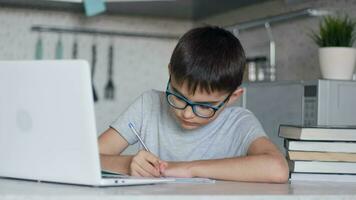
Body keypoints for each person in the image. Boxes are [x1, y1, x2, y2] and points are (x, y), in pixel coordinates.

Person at [98, 26, 289, 183]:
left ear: (232, 97)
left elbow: (278, 168)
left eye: (205, 106)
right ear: (170, 73)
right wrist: (129, 164)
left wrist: (187, 169)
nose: (187, 114)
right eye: (179, 97)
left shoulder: (239, 123)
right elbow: (86, 157)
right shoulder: (148, 105)